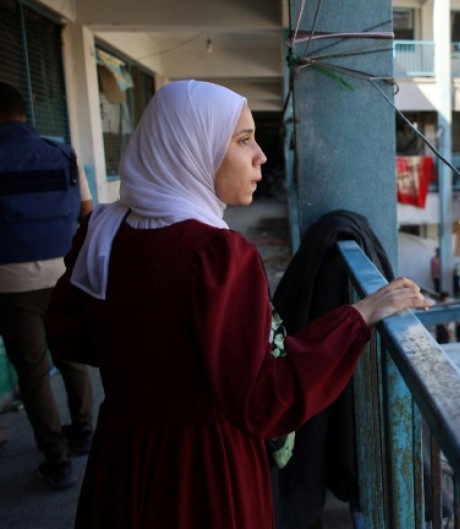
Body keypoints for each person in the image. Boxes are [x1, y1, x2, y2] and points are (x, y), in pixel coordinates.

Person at [44, 80, 432, 528]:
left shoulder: (104, 234)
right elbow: (264, 400)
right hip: (201, 472)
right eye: (243, 140)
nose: (260, 155)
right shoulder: (216, 255)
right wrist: (358, 317)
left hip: (123, 459)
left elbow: (69, 336)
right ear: (192, 148)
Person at [0, 81, 95, 489]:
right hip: (64, 272)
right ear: (24, 113)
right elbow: (87, 211)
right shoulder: (62, 152)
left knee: (34, 371)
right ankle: (85, 430)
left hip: (11, 281)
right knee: (71, 354)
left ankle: (56, 460)